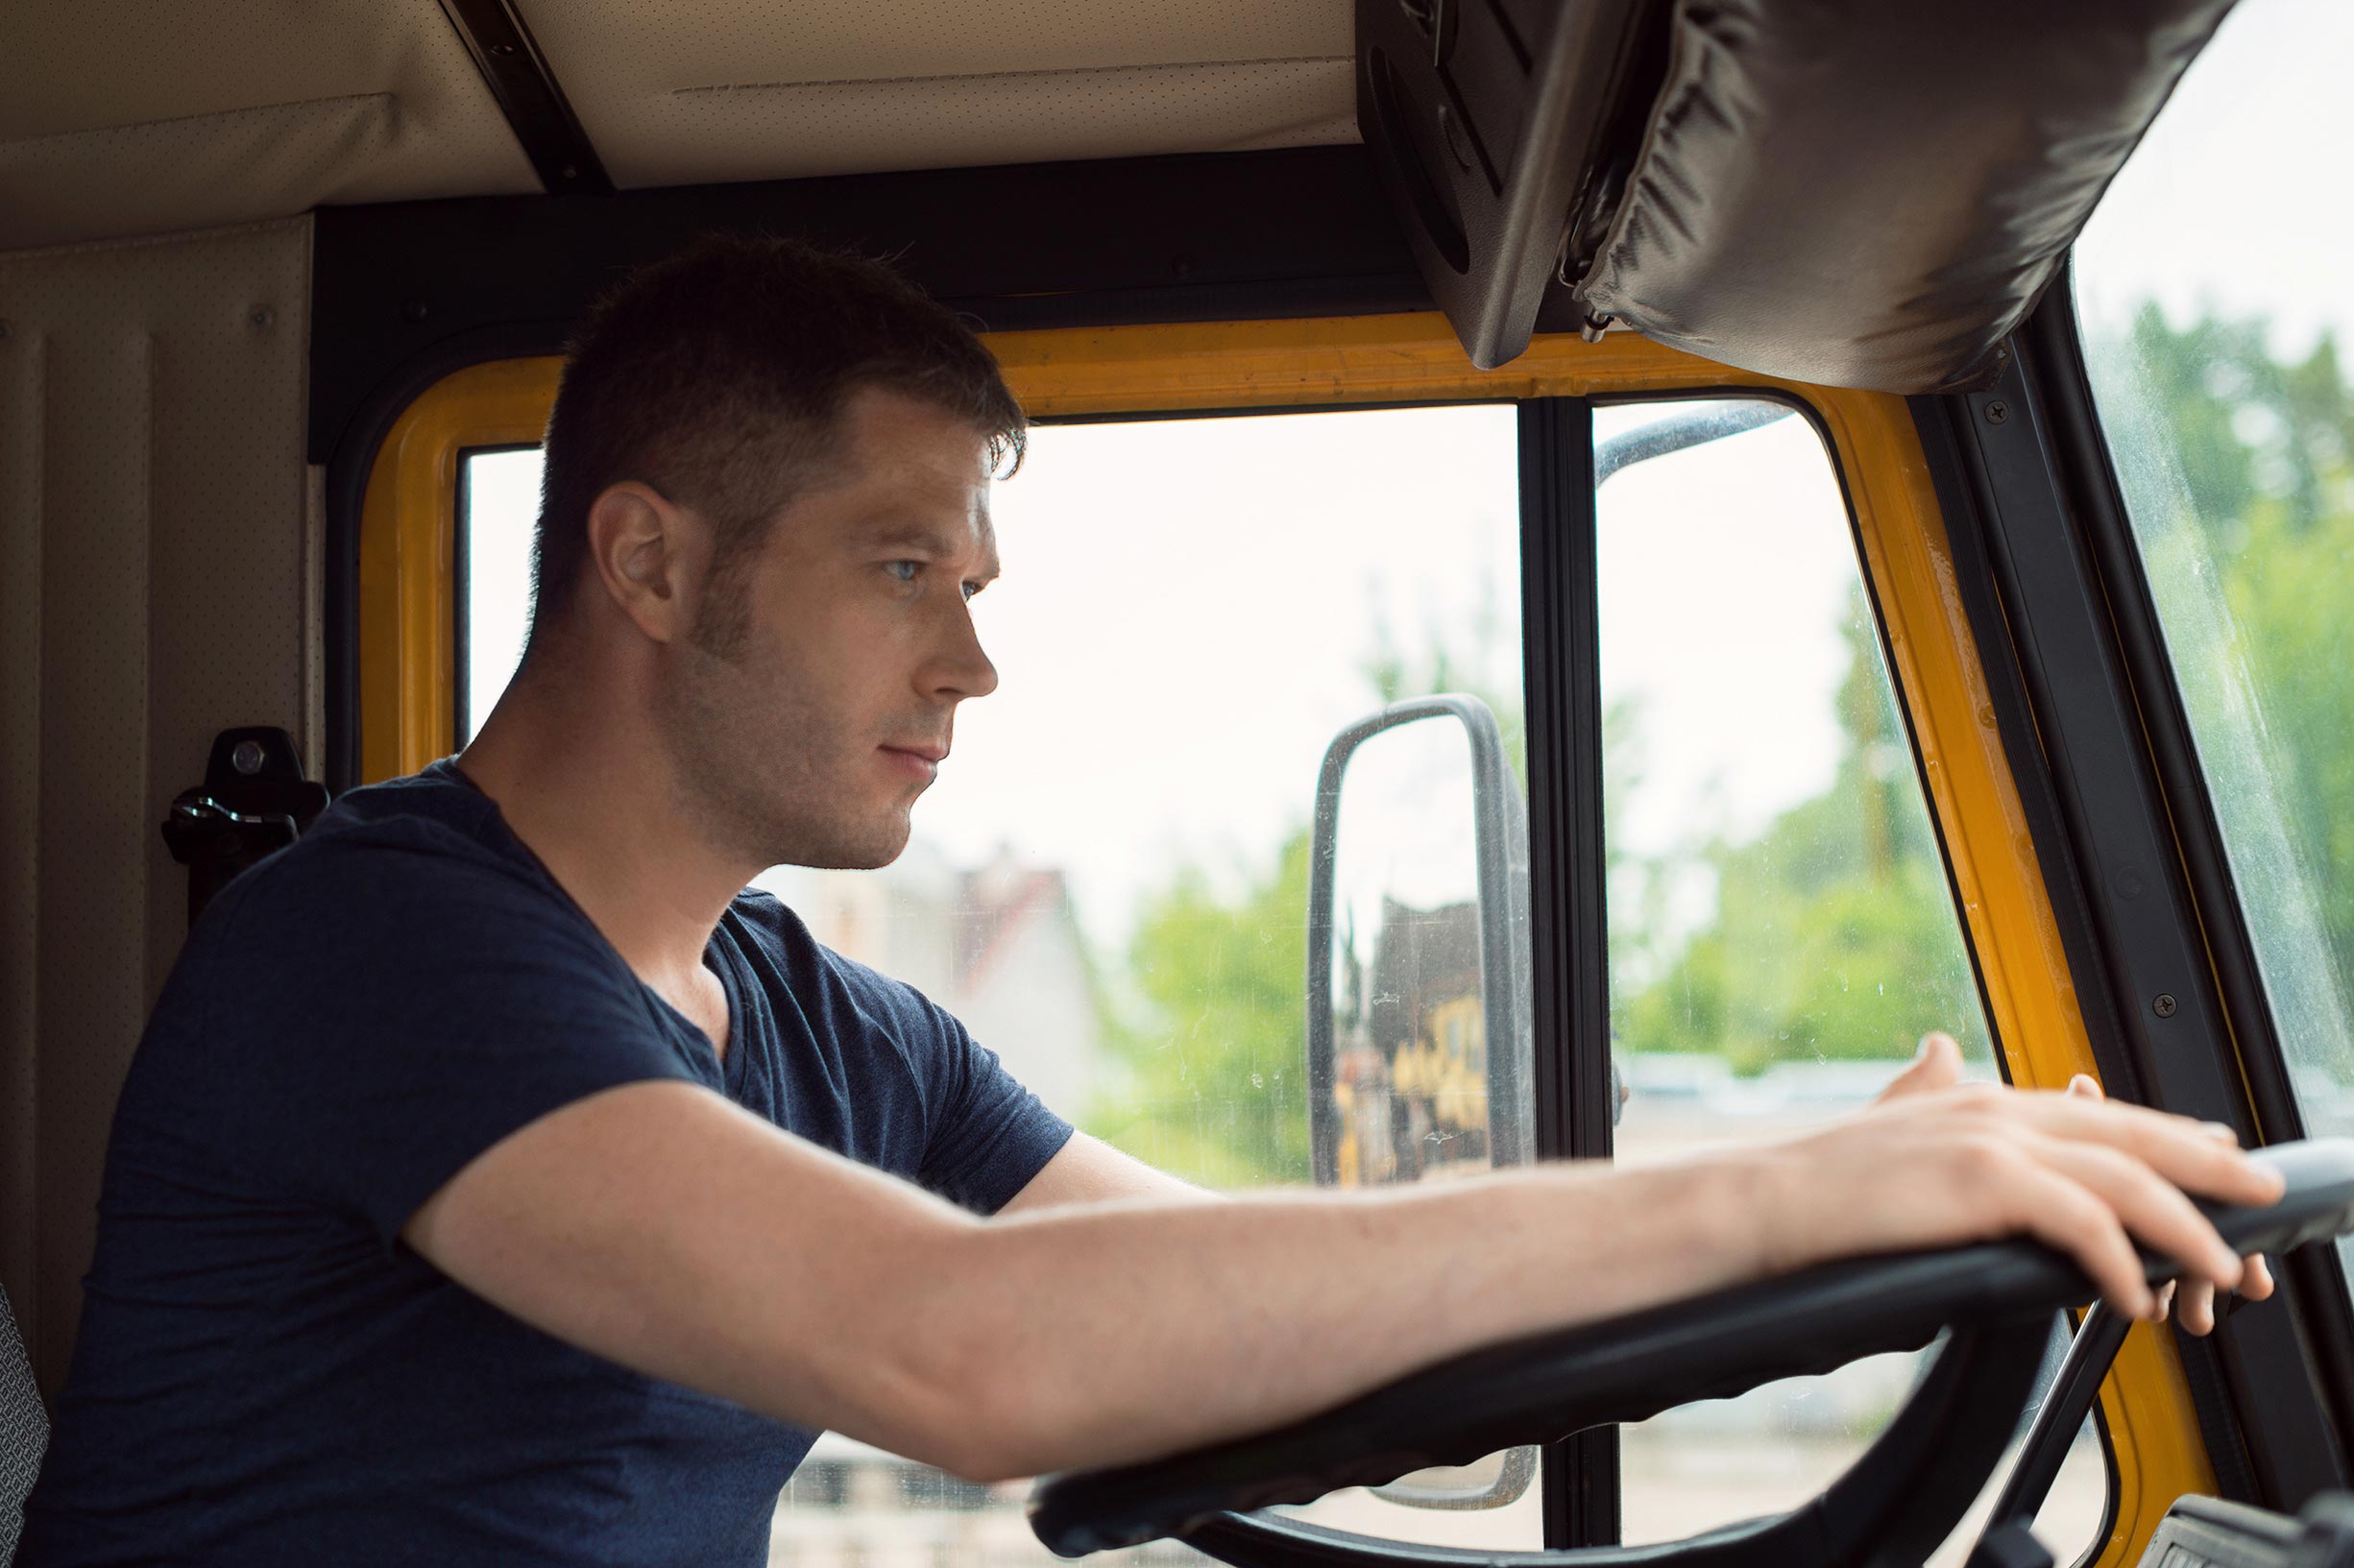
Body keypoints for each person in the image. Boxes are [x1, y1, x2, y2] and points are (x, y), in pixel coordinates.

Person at [18, 235, 2279, 1566]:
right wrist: (1771, 1190)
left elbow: (1234, 1319)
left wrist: (1864, 1223)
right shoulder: (376, 944)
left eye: (973, 587)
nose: (969, 664)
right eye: (899, 568)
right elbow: (965, 1353)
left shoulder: (818, 1024)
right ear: (650, 563)